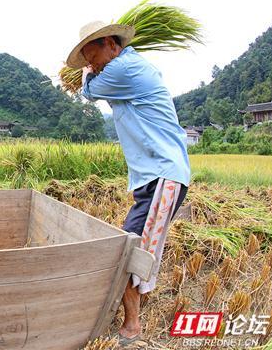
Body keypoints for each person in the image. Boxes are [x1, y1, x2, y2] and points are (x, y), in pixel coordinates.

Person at [66, 21, 191, 347]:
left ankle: (132, 327)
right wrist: (92, 68)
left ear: (110, 43)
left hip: (163, 176)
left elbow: (89, 91)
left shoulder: (127, 69)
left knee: (130, 249)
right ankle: (134, 313)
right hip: (155, 178)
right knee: (141, 248)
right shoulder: (123, 70)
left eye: (91, 56)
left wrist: (86, 76)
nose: (91, 66)